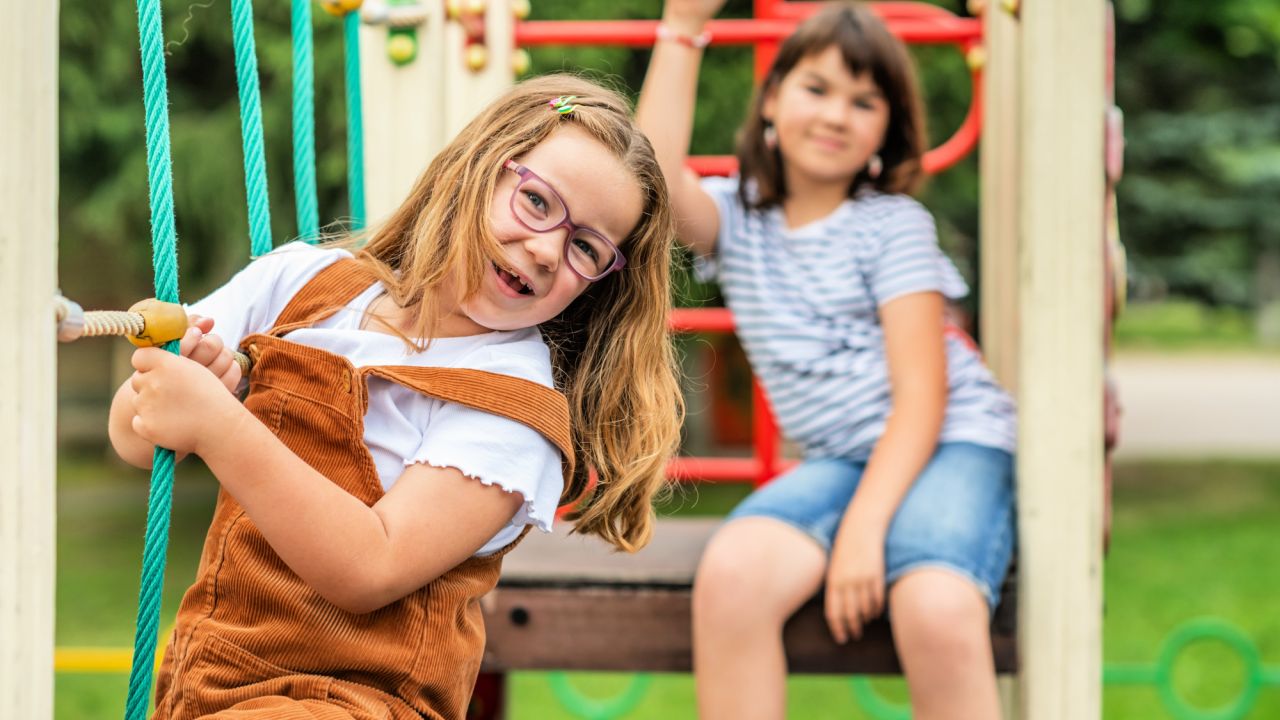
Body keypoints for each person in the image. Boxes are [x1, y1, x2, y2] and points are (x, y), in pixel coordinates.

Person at [108, 74, 684, 720]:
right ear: (483, 168)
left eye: (586, 248)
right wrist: (181, 383)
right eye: (538, 204)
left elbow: (370, 565)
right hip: (207, 682)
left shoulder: (515, 408)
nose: (549, 251)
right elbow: (135, 434)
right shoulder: (302, 283)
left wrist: (215, 423)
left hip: (360, 701)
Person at [637, 2, 1017, 718]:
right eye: (817, 89)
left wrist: (864, 534)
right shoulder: (737, 219)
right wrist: (683, 25)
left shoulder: (892, 226)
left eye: (864, 100)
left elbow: (922, 400)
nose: (837, 114)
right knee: (733, 576)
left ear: (886, 131)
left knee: (933, 603)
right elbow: (648, 179)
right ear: (772, 101)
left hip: (951, 442)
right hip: (845, 459)